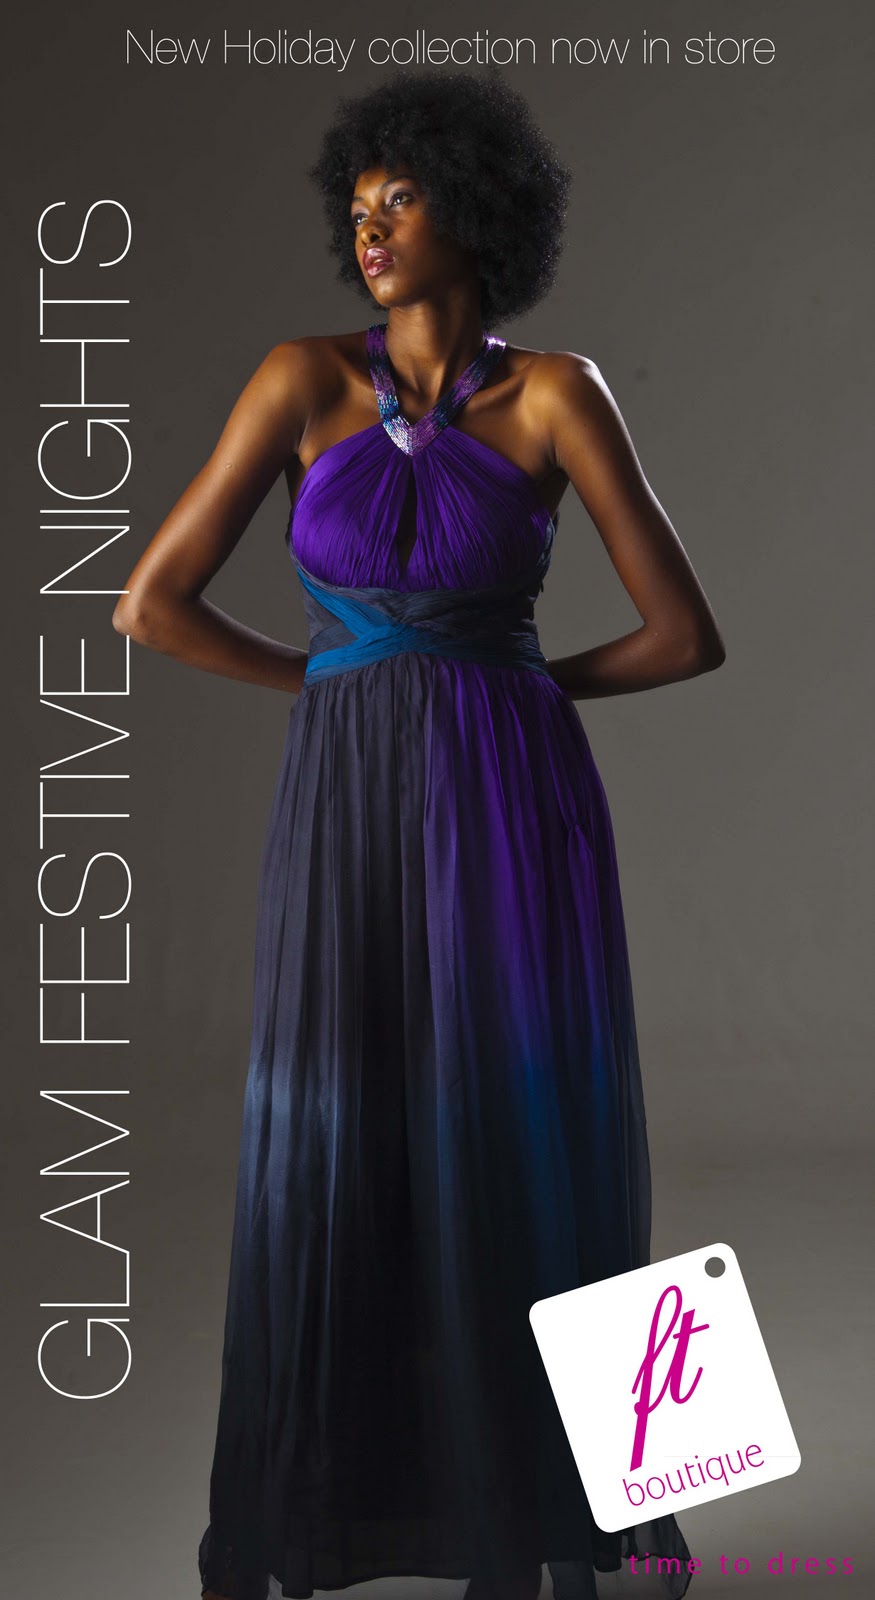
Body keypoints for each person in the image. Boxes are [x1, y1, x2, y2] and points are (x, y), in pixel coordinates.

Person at [114, 68, 724, 1600]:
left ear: (483, 211)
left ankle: (594, 1508)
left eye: (403, 200)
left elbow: (684, 634)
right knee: (349, 1132)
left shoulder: (560, 394)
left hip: (513, 802)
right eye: (358, 205)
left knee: (537, 1126)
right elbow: (151, 604)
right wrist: (342, 679)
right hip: (347, 802)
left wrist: (513, 686)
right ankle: (361, 1502)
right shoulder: (297, 379)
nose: (370, 230)